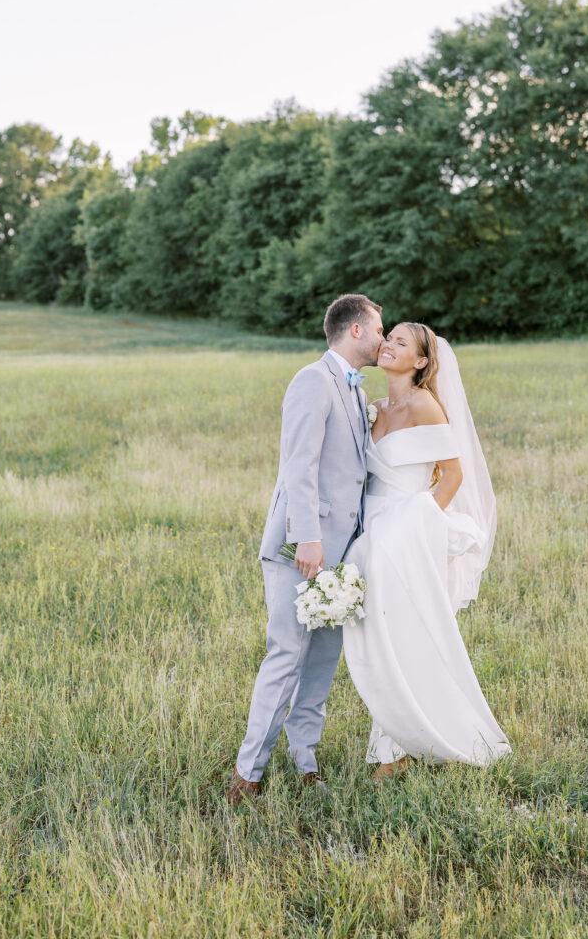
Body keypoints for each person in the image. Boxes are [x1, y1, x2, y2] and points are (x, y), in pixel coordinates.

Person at [227, 294, 385, 805]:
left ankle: (306, 761)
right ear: (356, 329)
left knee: (321, 662)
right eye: (379, 328)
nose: (384, 339)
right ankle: (247, 775)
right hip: (303, 549)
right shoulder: (312, 381)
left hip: (343, 556)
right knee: (286, 656)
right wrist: (309, 538)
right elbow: (299, 464)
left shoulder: (356, 391)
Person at [343, 322, 511, 781]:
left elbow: (453, 475)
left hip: (407, 530)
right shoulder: (374, 408)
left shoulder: (424, 404)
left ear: (420, 362)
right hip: (372, 530)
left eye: (400, 342)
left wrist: (416, 522)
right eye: (388, 337)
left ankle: (392, 753)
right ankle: (399, 742)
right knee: (381, 638)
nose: (388, 344)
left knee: (400, 635)